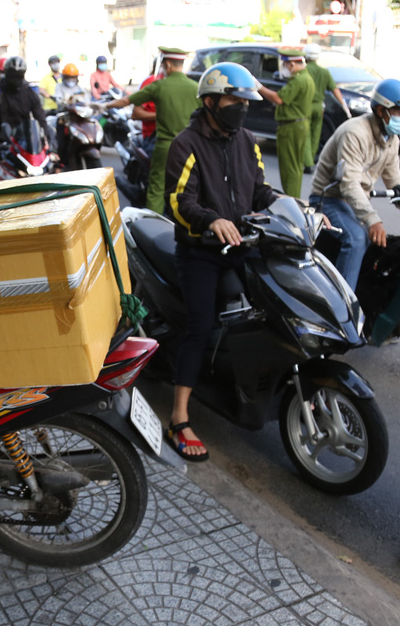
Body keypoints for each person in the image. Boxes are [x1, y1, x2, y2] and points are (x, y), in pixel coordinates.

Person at [164, 62, 280, 461]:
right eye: (234, 101)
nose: (241, 108)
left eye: (246, 102)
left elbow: (261, 190)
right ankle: (178, 416)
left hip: (244, 246)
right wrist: (212, 220)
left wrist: (287, 205)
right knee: (200, 326)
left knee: (267, 312)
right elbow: (180, 203)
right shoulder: (187, 144)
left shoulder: (247, 140)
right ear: (211, 101)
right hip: (201, 252)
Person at [308, 78, 400, 289]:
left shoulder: (391, 139)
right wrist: (372, 219)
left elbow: (395, 182)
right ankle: (342, 307)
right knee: (357, 239)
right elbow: (348, 184)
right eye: (399, 112)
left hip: (351, 202)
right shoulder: (355, 133)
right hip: (328, 199)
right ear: (379, 110)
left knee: (376, 245)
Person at [99, 46, 200, 214]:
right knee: (189, 186)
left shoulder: (159, 86)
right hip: (190, 148)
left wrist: (103, 105)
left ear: (167, 65)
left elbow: (126, 102)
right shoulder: (195, 88)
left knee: (156, 188)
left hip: (164, 147)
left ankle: (153, 224)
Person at [0, 56, 51, 182]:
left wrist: (48, 140)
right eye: (13, 75)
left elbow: (40, 117)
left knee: (50, 166)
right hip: (1, 138)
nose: (15, 79)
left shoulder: (28, 92)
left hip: (23, 139)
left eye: (19, 75)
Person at [255, 48, 314, 198]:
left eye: (285, 65)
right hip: (299, 124)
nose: (284, 68)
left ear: (292, 65)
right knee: (295, 165)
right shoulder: (305, 78)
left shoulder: (299, 80)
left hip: (291, 126)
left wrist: (259, 87)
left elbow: (278, 99)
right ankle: (294, 198)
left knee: (290, 167)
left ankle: (292, 200)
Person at [302, 43, 349, 171]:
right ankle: (311, 158)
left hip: (305, 106)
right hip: (319, 107)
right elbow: (335, 90)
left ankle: (308, 163)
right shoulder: (324, 72)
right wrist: (344, 106)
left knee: (305, 135)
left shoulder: (303, 71)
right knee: (315, 134)